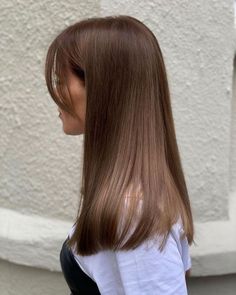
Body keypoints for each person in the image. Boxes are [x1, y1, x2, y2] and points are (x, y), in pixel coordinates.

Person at [44, 15, 194, 295]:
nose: (54, 91)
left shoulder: (134, 212)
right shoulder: (136, 195)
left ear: (103, 88)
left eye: (59, 79)